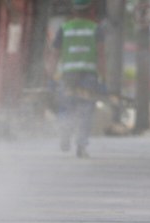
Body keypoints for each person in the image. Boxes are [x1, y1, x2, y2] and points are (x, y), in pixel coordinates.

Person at [49, 0, 104, 158]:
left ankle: (65, 134)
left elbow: (55, 54)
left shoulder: (64, 28)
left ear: (73, 10)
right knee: (86, 109)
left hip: (68, 75)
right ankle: (81, 145)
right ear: (89, 10)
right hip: (88, 75)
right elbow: (101, 55)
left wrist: (51, 76)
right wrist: (103, 78)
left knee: (66, 106)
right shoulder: (95, 29)